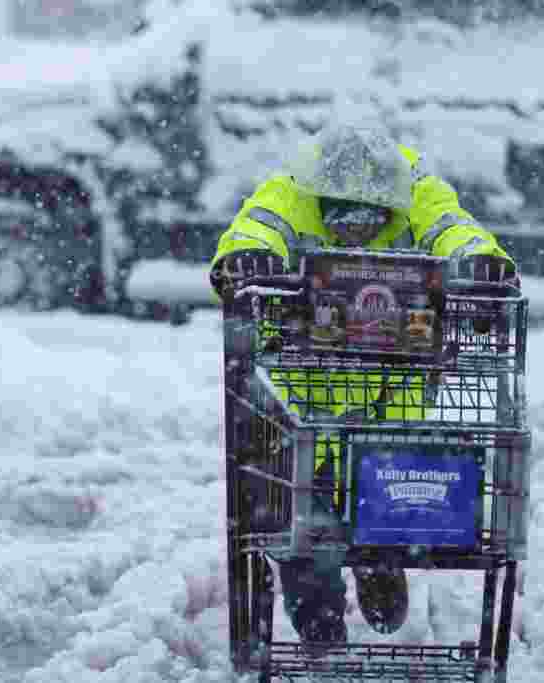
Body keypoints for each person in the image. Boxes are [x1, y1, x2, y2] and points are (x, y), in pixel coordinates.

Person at [209, 123, 519, 652]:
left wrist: (482, 260)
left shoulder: (417, 186)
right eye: (340, 214)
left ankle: (382, 562)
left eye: (369, 216)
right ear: (318, 195)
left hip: (390, 409)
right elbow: (255, 228)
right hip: (301, 406)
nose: (354, 226)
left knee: (392, 502)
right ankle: (318, 612)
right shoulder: (290, 188)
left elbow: (453, 226)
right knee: (298, 521)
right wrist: (246, 258)